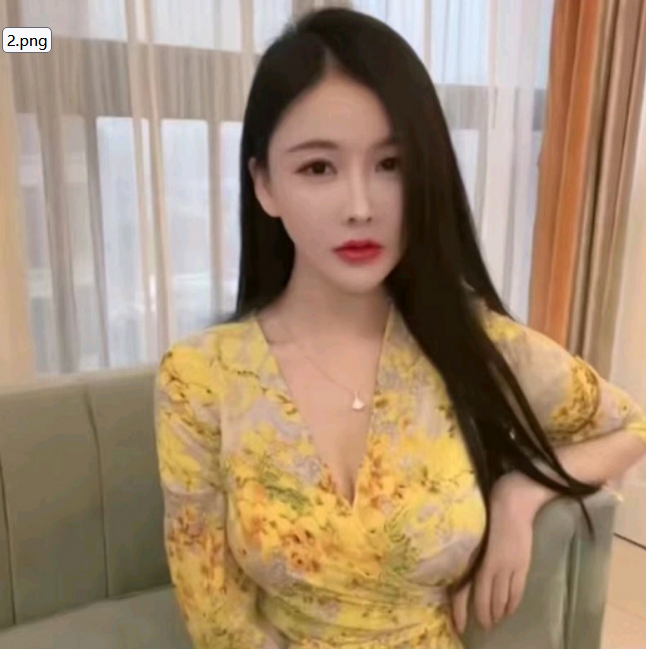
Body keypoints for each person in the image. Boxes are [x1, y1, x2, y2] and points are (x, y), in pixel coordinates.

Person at [154, 8, 646, 649]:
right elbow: (216, 615)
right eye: (318, 168)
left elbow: (630, 427)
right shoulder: (199, 380)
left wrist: (521, 492)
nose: (361, 207)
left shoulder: (469, 339)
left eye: (391, 164)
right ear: (265, 185)